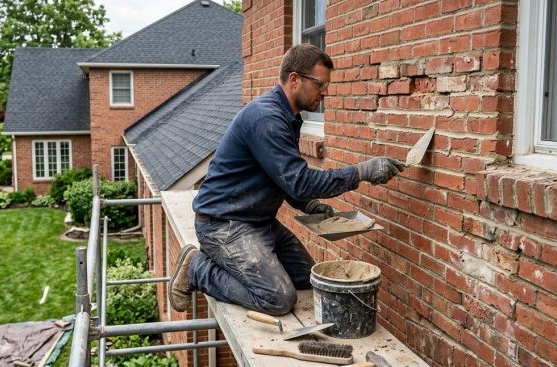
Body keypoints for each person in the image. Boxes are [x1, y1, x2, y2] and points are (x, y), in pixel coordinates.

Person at [168, 43, 404, 315]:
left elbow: (283, 176)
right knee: (278, 298)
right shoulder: (266, 118)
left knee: (307, 279)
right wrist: (361, 172)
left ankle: (227, 265)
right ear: (294, 80)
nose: (325, 93)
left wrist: (308, 205)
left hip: (259, 222)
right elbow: (299, 181)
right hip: (225, 225)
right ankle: (197, 267)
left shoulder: (288, 117)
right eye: (320, 85)